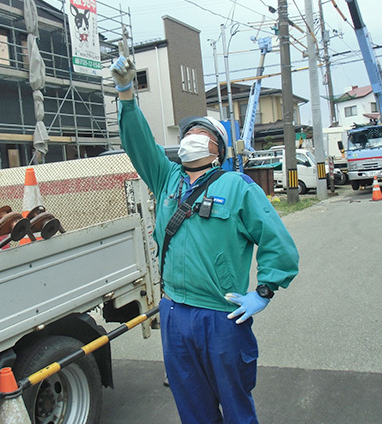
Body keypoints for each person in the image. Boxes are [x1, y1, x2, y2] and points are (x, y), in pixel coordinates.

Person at [111, 43, 299, 424]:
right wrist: (127, 94)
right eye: (187, 132)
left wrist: (263, 292)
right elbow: (138, 142)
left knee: (236, 407)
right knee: (192, 408)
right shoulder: (166, 179)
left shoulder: (238, 186)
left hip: (222, 317)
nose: (191, 135)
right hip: (175, 312)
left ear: (218, 149)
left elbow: (279, 244)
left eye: (200, 131)